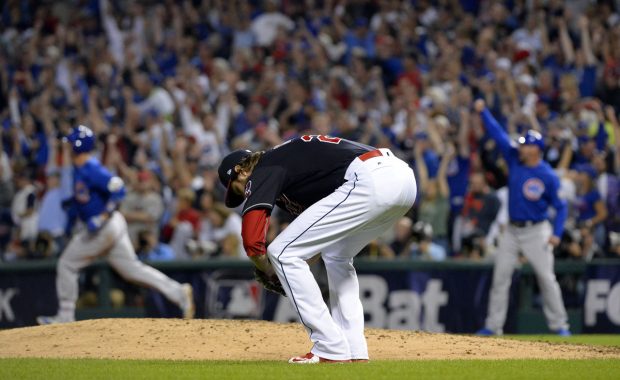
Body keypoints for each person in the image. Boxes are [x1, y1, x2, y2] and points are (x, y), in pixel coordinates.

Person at [217, 135, 417, 363]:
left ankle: (329, 346)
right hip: (402, 180)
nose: (245, 194)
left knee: (282, 252)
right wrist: (287, 269)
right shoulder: (291, 170)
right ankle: (353, 348)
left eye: (239, 188)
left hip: (370, 178)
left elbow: (252, 242)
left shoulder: (265, 165)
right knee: (336, 254)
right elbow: (316, 241)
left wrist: (268, 269)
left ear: (242, 171)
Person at [37, 125, 194, 324]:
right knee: (132, 270)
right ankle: (179, 292)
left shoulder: (91, 168)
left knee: (67, 264)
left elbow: (118, 189)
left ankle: (65, 315)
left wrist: (103, 215)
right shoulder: (79, 169)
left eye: (70, 144)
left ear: (76, 146)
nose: (66, 147)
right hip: (109, 227)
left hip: (106, 227)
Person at [473, 99, 570, 336]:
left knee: (547, 279)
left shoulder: (547, 175)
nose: (521, 148)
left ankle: (560, 326)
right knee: (500, 279)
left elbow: (561, 206)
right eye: (522, 144)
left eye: (526, 145)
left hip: (537, 231)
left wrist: (557, 234)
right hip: (513, 231)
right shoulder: (515, 159)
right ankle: (493, 326)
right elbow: (497, 135)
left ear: (537, 149)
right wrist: (484, 111)